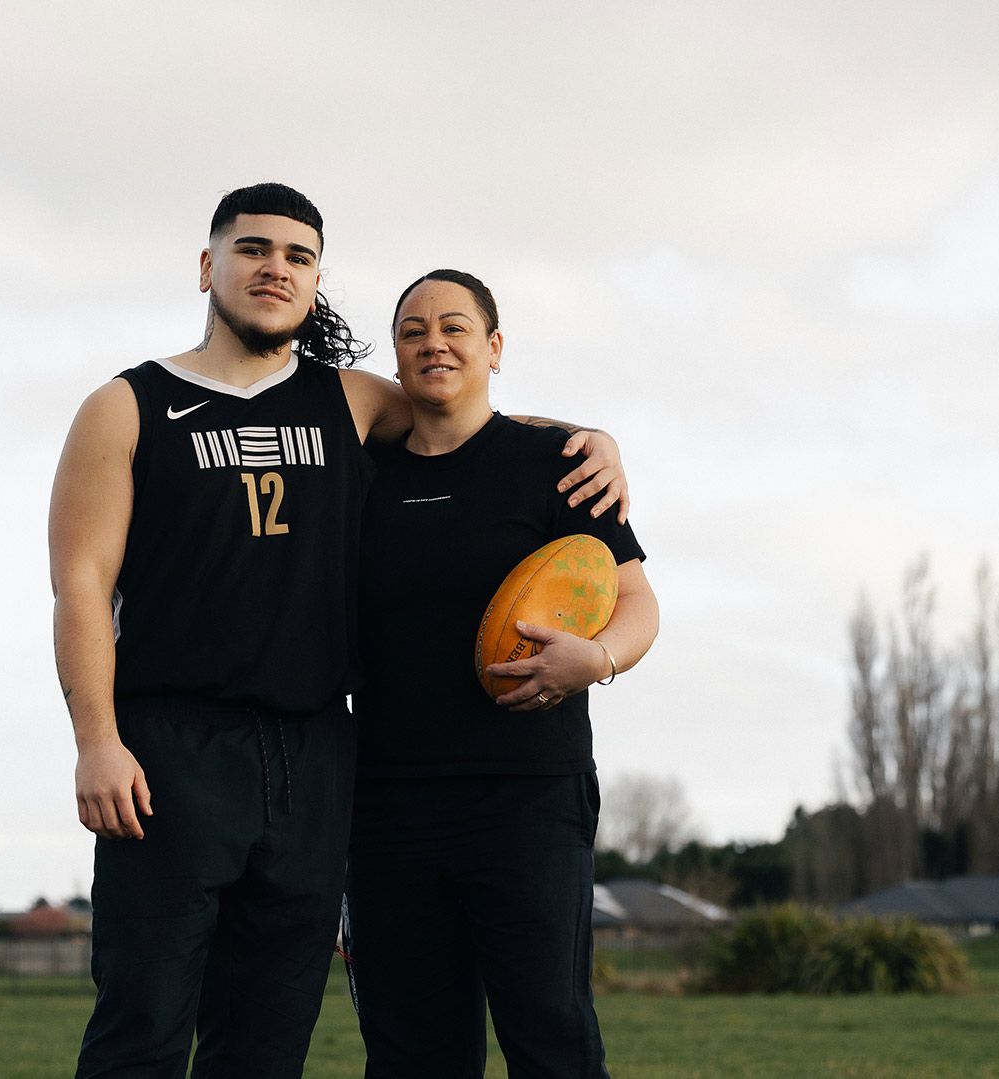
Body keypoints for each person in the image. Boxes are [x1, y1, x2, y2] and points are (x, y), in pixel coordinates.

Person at [47, 186, 628, 1078]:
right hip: (174, 748)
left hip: (317, 755)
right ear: (209, 267)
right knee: (144, 1020)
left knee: (267, 1034)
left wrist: (590, 438)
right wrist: (97, 739)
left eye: (299, 255)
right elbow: (81, 583)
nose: (275, 267)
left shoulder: (350, 403)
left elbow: (468, 419)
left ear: (315, 284)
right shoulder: (128, 406)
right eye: (253, 249)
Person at [347, 269, 660, 1078]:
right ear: (397, 355)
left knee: (549, 1035)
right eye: (413, 330)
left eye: (454, 327)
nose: (432, 342)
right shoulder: (362, 478)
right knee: (412, 1050)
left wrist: (598, 659)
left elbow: (636, 599)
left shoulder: (558, 463)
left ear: (494, 347)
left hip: (527, 796)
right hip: (387, 806)